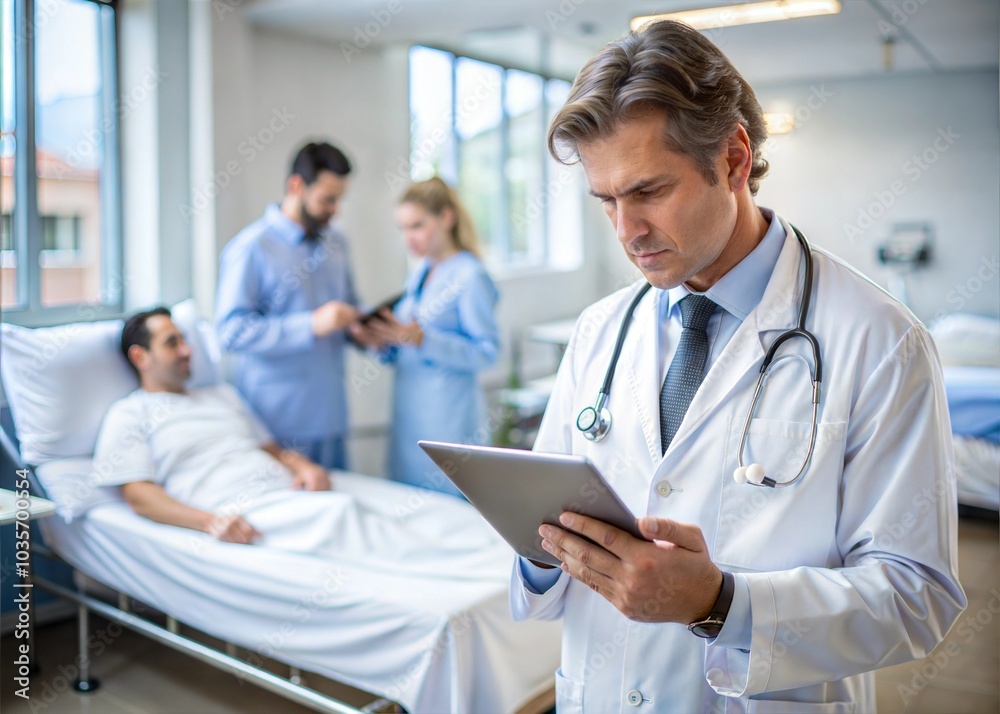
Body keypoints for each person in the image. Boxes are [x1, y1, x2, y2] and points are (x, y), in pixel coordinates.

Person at [510, 21, 966, 713]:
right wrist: (543, 554)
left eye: (649, 191)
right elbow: (543, 529)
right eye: (606, 200)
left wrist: (722, 603)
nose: (626, 230)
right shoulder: (601, 329)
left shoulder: (878, 339)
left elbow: (917, 596)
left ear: (732, 159)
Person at [91, 307, 506, 577]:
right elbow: (138, 496)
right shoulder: (130, 414)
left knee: (409, 508)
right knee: (339, 516)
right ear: (139, 357)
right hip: (241, 506)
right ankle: (485, 569)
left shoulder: (221, 395)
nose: (186, 351)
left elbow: (267, 445)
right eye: (172, 343)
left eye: (184, 339)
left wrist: (302, 465)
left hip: (284, 485)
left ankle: (501, 547)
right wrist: (208, 521)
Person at [351, 178, 499, 496]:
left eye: (417, 226)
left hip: (447, 418)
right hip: (409, 415)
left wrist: (422, 340)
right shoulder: (420, 272)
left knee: (446, 509)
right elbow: (408, 341)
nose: (409, 239)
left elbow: (486, 353)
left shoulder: (470, 276)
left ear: (446, 218)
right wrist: (382, 341)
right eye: (402, 229)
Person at [215, 142, 359, 471]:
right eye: (327, 199)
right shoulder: (251, 249)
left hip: (333, 415)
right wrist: (310, 325)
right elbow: (230, 333)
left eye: (339, 200)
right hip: (278, 425)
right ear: (296, 186)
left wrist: (363, 327)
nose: (335, 210)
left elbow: (349, 304)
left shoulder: (337, 243)